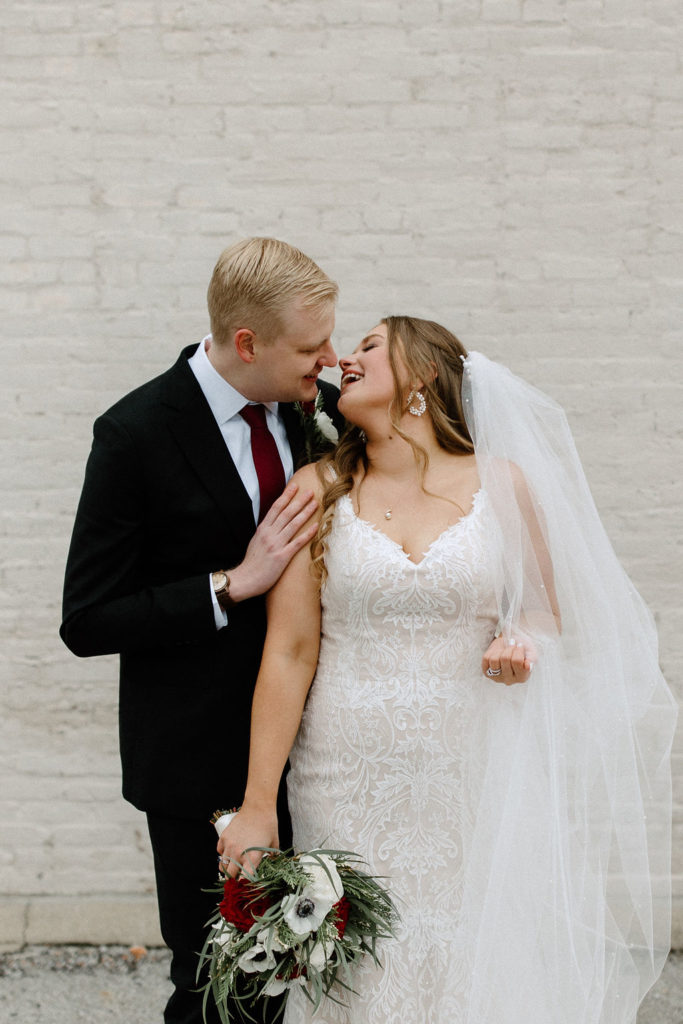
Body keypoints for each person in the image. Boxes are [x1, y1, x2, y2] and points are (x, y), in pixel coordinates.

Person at [219, 317, 676, 1024]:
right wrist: (255, 805)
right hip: (345, 775)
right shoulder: (319, 486)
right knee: (359, 968)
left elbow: (542, 616)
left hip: (473, 769)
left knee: (473, 956)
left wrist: (520, 641)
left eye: (368, 347)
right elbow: (289, 652)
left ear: (423, 376)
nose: (345, 358)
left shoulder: (503, 483)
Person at [60, 237, 343, 1024]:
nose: (329, 359)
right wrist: (230, 583)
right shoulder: (135, 433)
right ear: (246, 342)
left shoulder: (315, 410)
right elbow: (86, 619)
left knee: (318, 966)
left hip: (320, 750)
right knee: (222, 981)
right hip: (199, 765)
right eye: (310, 346)